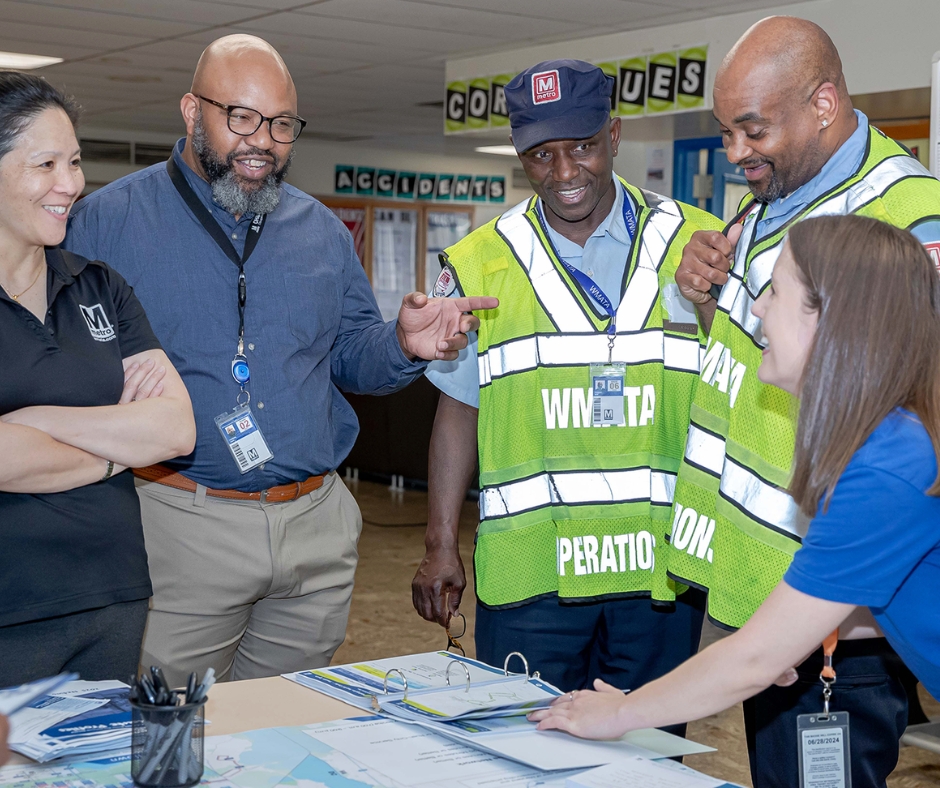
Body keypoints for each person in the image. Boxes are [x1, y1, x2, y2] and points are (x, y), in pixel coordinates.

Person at [64, 35, 495, 686]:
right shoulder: (104, 223)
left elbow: (351, 356)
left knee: (282, 734)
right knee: (166, 740)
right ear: (190, 111)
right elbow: (61, 371)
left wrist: (403, 344)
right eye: (240, 116)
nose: (261, 140)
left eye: (282, 124)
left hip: (314, 530)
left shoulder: (320, 230)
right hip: (182, 523)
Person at [530, 217, 940, 765]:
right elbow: (904, 591)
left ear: (832, 317)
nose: (758, 309)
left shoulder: (888, 467)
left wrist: (620, 713)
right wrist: (797, 631)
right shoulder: (893, 442)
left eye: (776, 290)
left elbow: (751, 660)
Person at [663, 17, 940, 786]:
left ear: (823, 103)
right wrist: (703, 296)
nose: (736, 153)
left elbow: (920, 399)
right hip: (767, 582)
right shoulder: (766, 204)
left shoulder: (907, 215)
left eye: (753, 129)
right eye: (725, 132)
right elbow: (766, 365)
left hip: (843, 611)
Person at [412, 60, 723, 707]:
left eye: (581, 147)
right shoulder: (479, 264)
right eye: (540, 155)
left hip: (657, 575)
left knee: (649, 758)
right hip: (534, 578)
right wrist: (440, 545)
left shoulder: (696, 246)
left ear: (613, 136)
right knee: (528, 753)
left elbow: (746, 383)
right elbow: (457, 412)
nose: (563, 173)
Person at [0, 72, 195, 686]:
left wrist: (37, 422)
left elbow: (175, 429)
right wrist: (119, 450)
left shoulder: (99, 286)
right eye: (46, 164)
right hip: (11, 608)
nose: (70, 185)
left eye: (76, 161)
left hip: (113, 597)